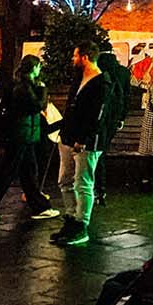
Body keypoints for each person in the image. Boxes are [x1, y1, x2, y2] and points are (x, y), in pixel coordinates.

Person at [50, 41, 125, 247]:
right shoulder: (79, 79)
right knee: (65, 180)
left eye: (75, 56)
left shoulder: (102, 82)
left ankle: (82, 223)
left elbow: (97, 115)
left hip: (87, 142)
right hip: (68, 137)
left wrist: (83, 139)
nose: (72, 60)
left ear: (84, 57)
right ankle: (71, 217)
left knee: (83, 182)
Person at [0, 55, 60, 222]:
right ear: (34, 68)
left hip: (23, 136)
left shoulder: (21, 85)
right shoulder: (23, 87)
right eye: (39, 66)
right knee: (7, 173)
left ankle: (40, 207)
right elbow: (37, 106)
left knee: (28, 174)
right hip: (20, 136)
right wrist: (43, 89)